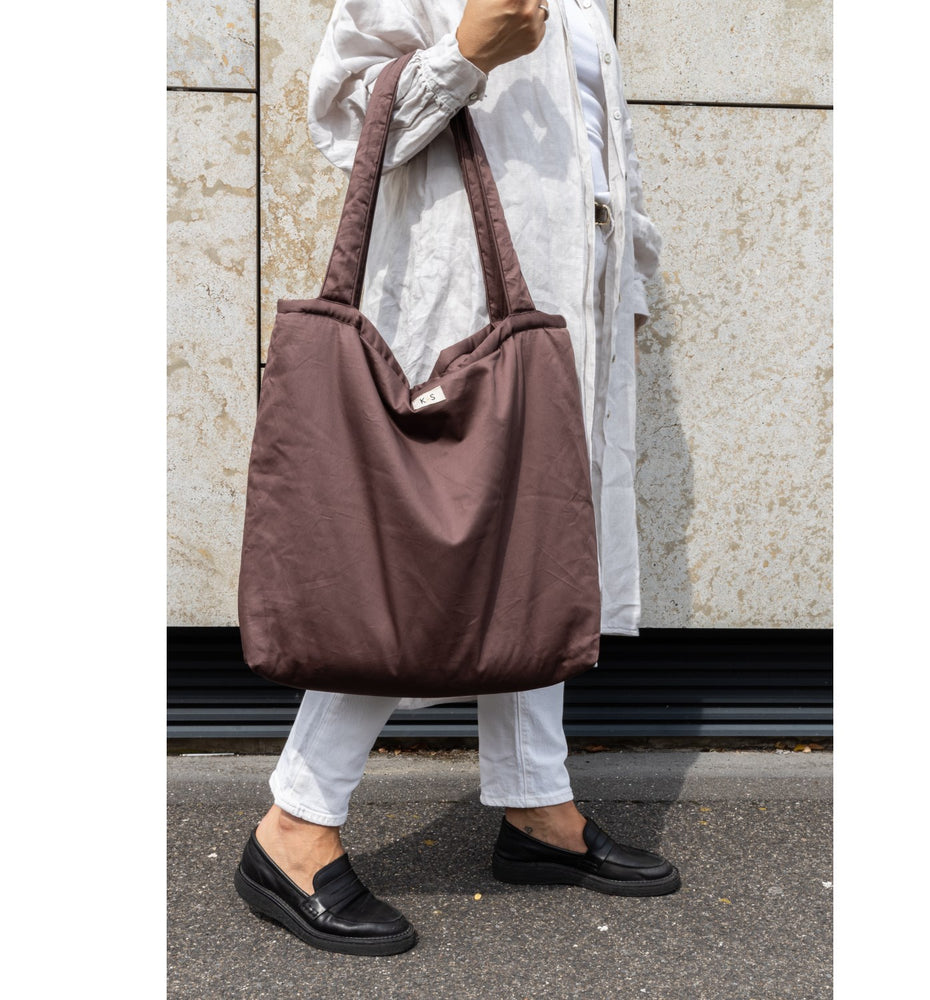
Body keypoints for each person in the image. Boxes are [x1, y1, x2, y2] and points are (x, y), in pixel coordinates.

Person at [234, 0, 679, 956]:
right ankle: (294, 824)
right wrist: (465, 54)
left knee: (533, 552)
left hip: (567, 310)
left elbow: (602, 159)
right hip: (451, 297)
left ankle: (536, 804)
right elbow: (344, 121)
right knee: (409, 567)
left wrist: (628, 282)